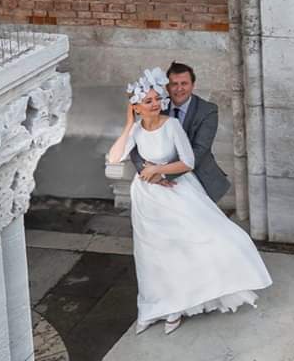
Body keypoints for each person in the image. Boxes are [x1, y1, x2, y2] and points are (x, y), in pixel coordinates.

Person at [108, 68, 272, 335]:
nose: (157, 102)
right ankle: (151, 306)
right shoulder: (136, 129)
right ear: (136, 107)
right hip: (146, 197)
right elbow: (116, 158)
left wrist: (159, 172)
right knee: (150, 253)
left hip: (176, 190)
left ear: (192, 84)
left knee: (187, 246)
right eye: (149, 100)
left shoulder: (173, 124)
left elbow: (190, 160)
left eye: (156, 99)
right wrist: (128, 125)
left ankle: (178, 305)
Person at [130, 61, 231, 203]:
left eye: (184, 83)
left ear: (193, 85)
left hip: (197, 174)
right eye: (174, 84)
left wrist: (163, 174)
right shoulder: (156, 105)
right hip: (155, 180)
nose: (179, 89)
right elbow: (135, 141)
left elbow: (200, 150)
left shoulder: (207, 110)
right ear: (166, 86)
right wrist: (146, 170)